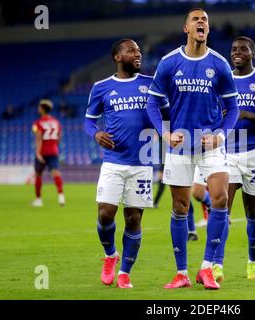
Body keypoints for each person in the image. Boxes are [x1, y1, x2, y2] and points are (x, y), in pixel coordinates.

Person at [147, 8, 239, 290]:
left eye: (206, 20)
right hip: (179, 146)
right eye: (196, 19)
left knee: (221, 198)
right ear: (186, 28)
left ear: (208, 30)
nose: (202, 22)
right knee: (179, 205)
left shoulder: (220, 64)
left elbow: (233, 107)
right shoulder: (169, 62)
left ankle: (207, 268)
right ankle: (181, 273)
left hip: (211, 144)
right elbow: (152, 102)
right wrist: (164, 132)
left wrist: (221, 136)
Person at [84, 38, 168, 289]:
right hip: (113, 161)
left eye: (139, 51)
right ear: (118, 57)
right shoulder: (101, 87)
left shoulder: (150, 84)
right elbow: (89, 121)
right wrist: (96, 134)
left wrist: (165, 130)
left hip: (142, 164)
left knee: (133, 219)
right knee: (105, 213)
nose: (138, 54)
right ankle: (111, 255)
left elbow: (167, 113)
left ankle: (125, 273)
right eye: (132, 51)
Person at [206, 36, 255, 282]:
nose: (237, 52)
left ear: (252, 53)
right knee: (222, 208)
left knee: (253, 210)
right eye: (234, 49)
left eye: (243, 49)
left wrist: (244, 113)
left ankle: (253, 263)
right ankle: (217, 264)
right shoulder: (220, 80)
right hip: (227, 152)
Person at [32, 99, 65, 207]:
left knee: (38, 175)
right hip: (53, 150)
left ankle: (38, 200)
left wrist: (38, 153)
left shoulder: (38, 123)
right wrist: (54, 146)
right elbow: (59, 137)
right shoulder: (56, 122)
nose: (38, 109)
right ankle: (61, 196)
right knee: (55, 173)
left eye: (39, 107)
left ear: (42, 109)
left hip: (42, 151)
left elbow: (39, 138)